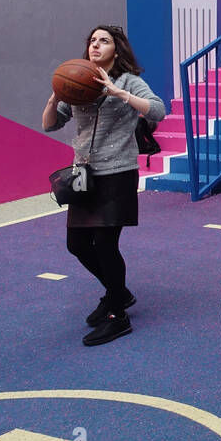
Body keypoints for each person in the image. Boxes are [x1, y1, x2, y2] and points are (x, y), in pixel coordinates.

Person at [42, 25, 165, 347]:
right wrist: (54, 98)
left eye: (104, 41)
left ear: (117, 49)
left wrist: (120, 94)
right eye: (93, 40)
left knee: (106, 244)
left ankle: (117, 316)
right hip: (83, 174)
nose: (96, 45)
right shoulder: (79, 78)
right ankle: (119, 293)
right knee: (77, 245)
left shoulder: (128, 81)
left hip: (118, 173)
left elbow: (158, 110)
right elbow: (51, 124)